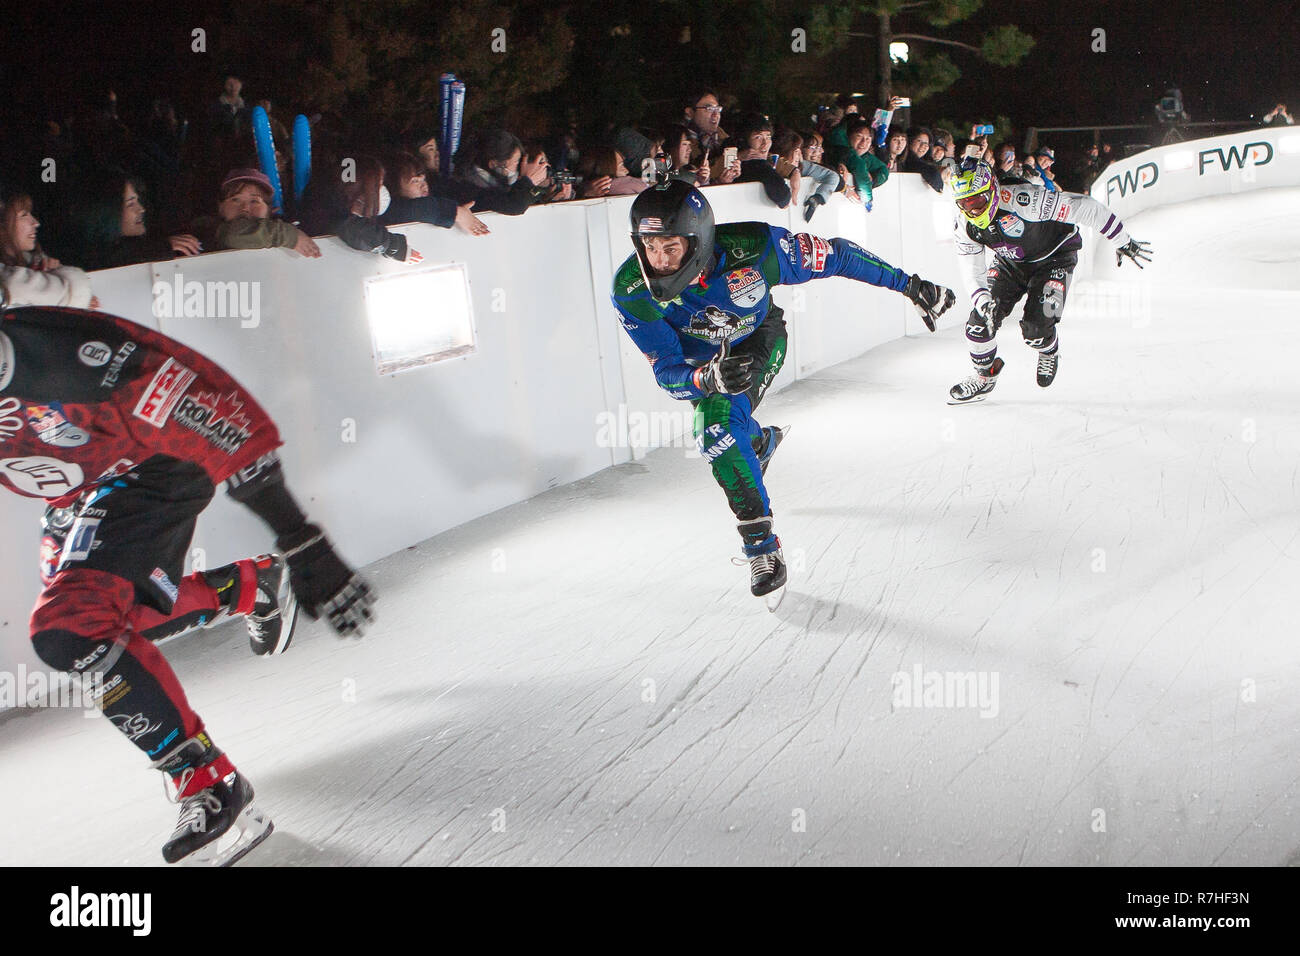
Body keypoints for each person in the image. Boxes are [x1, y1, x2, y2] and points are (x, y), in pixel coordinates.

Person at [0, 303, 375, 864]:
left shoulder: (65, 361)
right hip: (78, 488)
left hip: (155, 465)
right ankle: (247, 588)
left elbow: (221, 419)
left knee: (70, 628)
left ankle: (209, 782)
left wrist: (302, 540)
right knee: (102, 631)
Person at [610, 181, 956, 602]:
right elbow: (667, 372)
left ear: (697, 241)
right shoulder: (630, 290)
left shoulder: (759, 249)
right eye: (649, 248)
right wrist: (705, 379)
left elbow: (839, 256)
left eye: (670, 248)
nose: (659, 263)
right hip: (704, 364)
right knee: (724, 427)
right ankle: (758, 442)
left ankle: (761, 548)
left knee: (715, 430)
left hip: (758, 339)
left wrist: (910, 284)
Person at [945, 158, 1152, 403]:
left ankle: (1048, 349)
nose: (973, 210)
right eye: (964, 204)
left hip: (1054, 259)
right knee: (978, 326)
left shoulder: (1029, 201)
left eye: (977, 201)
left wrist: (1122, 240)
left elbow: (1087, 208)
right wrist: (982, 301)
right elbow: (971, 267)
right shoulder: (963, 224)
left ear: (992, 189)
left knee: (1035, 331)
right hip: (1010, 264)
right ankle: (984, 378)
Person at [0, 190, 99, 308]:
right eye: (24, 215)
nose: (35, 223)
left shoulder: (34, 260)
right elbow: (77, 291)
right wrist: (76, 294)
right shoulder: (10, 282)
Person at [380, 153, 489, 235]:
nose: (423, 186)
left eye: (423, 179)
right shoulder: (384, 209)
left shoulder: (438, 193)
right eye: (415, 181)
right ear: (394, 186)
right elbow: (404, 209)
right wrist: (456, 213)